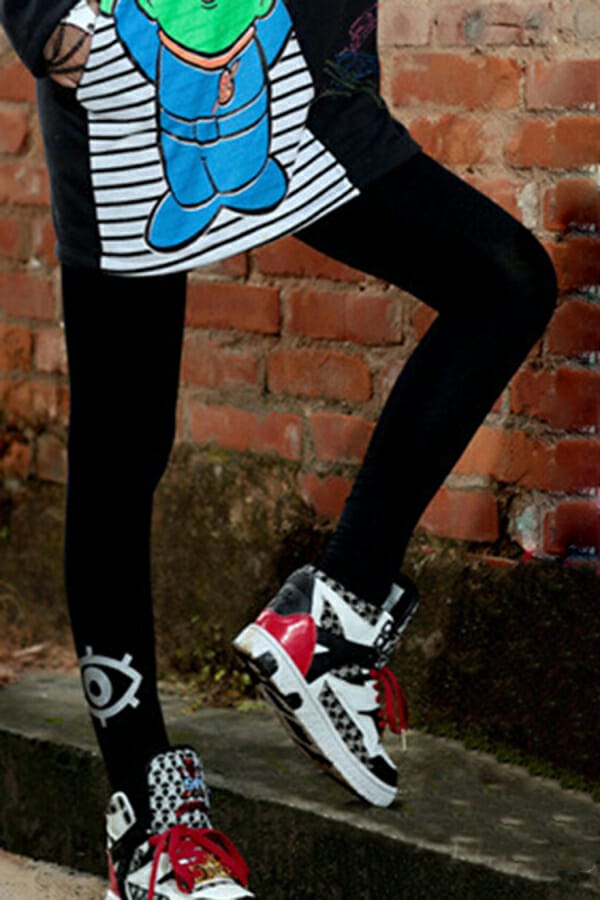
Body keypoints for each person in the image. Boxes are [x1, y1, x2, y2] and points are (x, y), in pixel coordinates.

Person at [0, 0, 558, 896]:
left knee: (505, 280)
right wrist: (49, 21)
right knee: (124, 447)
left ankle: (332, 620)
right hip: (125, 80)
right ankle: (148, 827)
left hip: (305, 72)